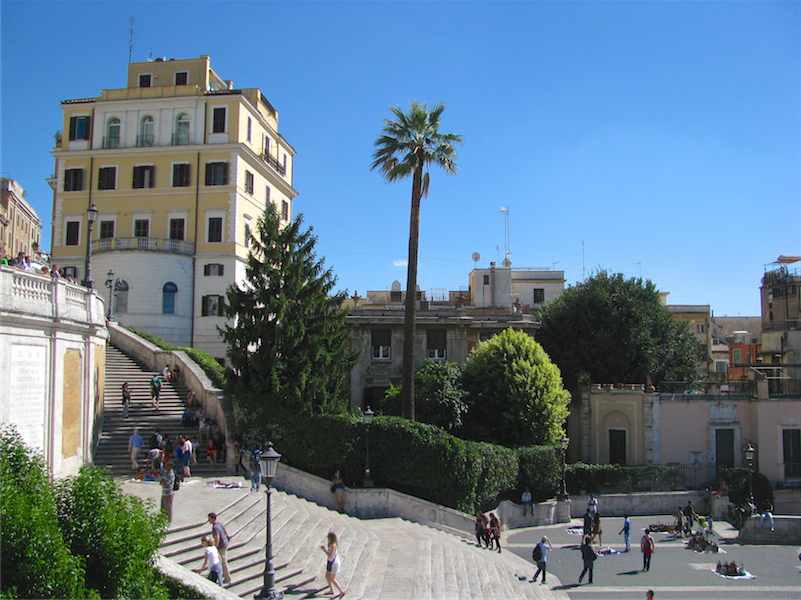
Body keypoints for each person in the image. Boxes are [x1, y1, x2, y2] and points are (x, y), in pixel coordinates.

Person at [208, 512, 231, 584]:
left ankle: (227, 578)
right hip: (225, 543)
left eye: (209, 519)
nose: (208, 521)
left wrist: (215, 547)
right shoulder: (220, 523)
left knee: (223, 562)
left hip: (221, 546)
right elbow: (226, 531)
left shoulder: (215, 527)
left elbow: (217, 538)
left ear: (213, 519)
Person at [320, 531, 345, 597]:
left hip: (334, 564)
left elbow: (330, 555)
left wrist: (324, 550)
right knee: (327, 576)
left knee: (332, 579)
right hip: (330, 563)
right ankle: (331, 590)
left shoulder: (333, 546)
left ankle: (341, 591)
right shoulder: (330, 544)